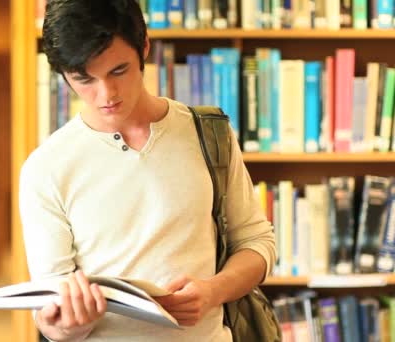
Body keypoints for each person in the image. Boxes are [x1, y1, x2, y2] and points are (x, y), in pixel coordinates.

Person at [19, 0, 277, 340]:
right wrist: (73, 321)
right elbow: (49, 319)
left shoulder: (209, 135)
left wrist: (214, 290)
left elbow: (257, 242)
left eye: (118, 71)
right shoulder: (46, 167)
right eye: (84, 79)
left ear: (144, 47)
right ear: (63, 74)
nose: (105, 95)